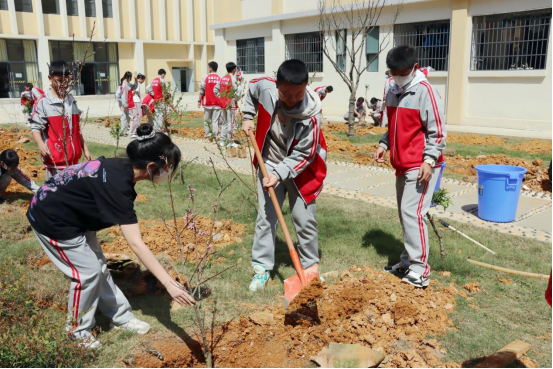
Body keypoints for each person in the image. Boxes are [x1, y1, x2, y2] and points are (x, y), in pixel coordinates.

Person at [26, 124, 195, 349]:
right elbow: (136, 242)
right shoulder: (118, 187)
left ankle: (121, 317)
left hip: (75, 216)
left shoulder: (123, 168)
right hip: (52, 218)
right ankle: (77, 332)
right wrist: (169, 284)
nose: (169, 172)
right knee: (87, 273)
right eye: (168, 167)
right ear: (152, 166)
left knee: (98, 268)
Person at [242, 60, 327, 292]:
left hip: (302, 168)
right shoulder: (267, 89)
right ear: (277, 85)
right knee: (266, 216)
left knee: (304, 219)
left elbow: (304, 154)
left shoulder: (311, 115)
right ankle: (261, 268)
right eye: (286, 93)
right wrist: (248, 115)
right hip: (268, 160)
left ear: (306, 86)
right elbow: (251, 89)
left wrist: (278, 175)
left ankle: (310, 270)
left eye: (298, 93)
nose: (292, 98)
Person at [374, 45, 447, 289]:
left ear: (414, 68)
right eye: (393, 73)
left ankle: (420, 269)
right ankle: (407, 262)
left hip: (420, 164)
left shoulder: (425, 90)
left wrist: (429, 160)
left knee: (412, 213)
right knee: (405, 215)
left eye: (402, 73)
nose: (397, 77)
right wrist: (384, 143)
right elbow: (394, 125)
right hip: (401, 163)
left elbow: (437, 132)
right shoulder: (392, 89)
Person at [31, 61, 92, 180]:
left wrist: (85, 149)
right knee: (56, 194)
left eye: (67, 80)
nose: (64, 84)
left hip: (74, 160)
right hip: (56, 161)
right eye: (59, 80)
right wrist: (40, 144)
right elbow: (35, 128)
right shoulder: (44, 102)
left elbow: (76, 129)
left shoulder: (71, 100)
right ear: (50, 78)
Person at [214, 62, 243, 147]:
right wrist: (235, 99)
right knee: (232, 123)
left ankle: (222, 140)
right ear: (234, 70)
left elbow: (215, 89)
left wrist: (221, 97)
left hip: (223, 103)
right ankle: (231, 141)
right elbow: (238, 92)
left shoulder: (222, 78)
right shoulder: (233, 79)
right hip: (231, 104)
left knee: (224, 123)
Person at [199, 62, 222, 142]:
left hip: (207, 102)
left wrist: (199, 100)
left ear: (211, 68)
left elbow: (202, 90)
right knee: (215, 121)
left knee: (207, 120)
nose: (208, 69)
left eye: (209, 67)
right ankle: (216, 137)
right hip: (217, 102)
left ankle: (208, 137)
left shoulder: (205, 77)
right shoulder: (219, 78)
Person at [120, 72, 138, 137]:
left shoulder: (127, 84)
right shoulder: (125, 85)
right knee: (134, 117)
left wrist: (136, 80)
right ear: (128, 77)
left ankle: (123, 132)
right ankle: (132, 133)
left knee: (126, 118)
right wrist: (125, 105)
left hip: (127, 104)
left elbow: (134, 87)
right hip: (129, 104)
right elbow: (124, 96)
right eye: (130, 78)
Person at [130, 73, 146, 138]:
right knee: (137, 116)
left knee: (138, 116)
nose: (144, 81)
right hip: (135, 101)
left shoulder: (136, 83)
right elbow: (133, 92)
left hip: (137, 101)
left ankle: (135, 131)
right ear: (141, 79)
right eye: (144, 80)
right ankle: (132, 132)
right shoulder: (137, 84)